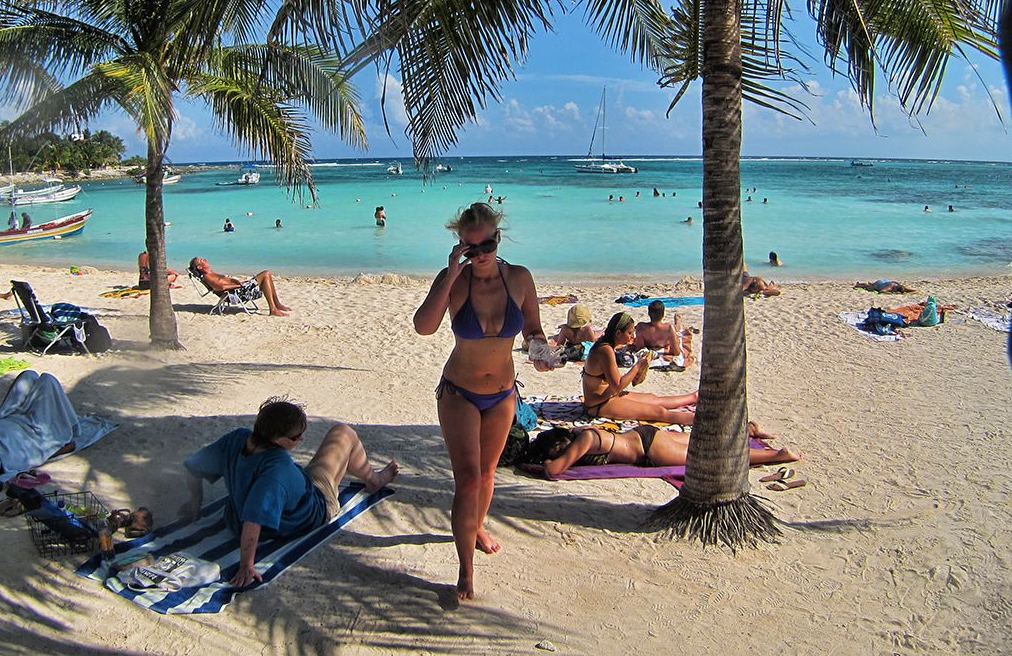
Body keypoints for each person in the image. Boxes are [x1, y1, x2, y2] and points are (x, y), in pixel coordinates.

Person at [413, 202, 545, 600]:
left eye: (487, 243)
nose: (482, 253)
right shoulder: (454, 280)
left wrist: (541, 352)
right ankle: (465, 570)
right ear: (461, 246)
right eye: (472, 248)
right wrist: (452, 273)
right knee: (468, 478)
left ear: (498, 238)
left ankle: (478, 524)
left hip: (504, 393)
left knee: (487, 475)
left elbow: (534, 329)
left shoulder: (519, 278)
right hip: (459, 392)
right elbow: (423, 327)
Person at [178, 398, 398, 588]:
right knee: (344, 434)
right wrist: (246, 566)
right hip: (310, 510)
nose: (301, 439)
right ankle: (374, 479)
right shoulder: (276, 469)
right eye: (296, 437)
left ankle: (370, 477)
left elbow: (193, 467)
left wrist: (195, 501)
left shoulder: (236, 439)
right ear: (278, 438)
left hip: (236, 517)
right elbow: (254, 521)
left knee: (324, 462)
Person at [529, 425, 801, 478]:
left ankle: (776, 456)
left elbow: (555, 470)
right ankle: (746, 433)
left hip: (649, 449)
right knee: (699, 440)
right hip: (642, 434)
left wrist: (541, 464)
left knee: (710, 456)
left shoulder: (584, 441)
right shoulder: (584, 432)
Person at [0, 370, 79, 479]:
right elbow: (37, 455)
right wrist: (63, 448)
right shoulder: (10, 458)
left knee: (28, 375)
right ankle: (72, 424)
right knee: (48, 381)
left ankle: (30, 402)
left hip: (13, 415)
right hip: (34, 428)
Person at [581, 312, 698, 424]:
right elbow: (617, 386)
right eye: (630, 333)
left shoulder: (606, 346)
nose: (633, 337)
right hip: (599, 404)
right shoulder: (605, 350)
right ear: (618, 333)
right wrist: (637, 366)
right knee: (658, 412)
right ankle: (702, 421)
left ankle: (694, 397)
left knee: (653, 399)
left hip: (608, 396)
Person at [188, 257, 291, 316]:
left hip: (237, 289)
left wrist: (235, 281)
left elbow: (222, 282)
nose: (205, 259)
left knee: (266, 275)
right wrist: (237, 284)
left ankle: (276, 304)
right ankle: (273, 308)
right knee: (265, 274)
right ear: (199, 267)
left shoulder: (211, 273)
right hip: (236, 293)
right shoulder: (208, 276)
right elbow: (220, 287)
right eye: (202, 260)